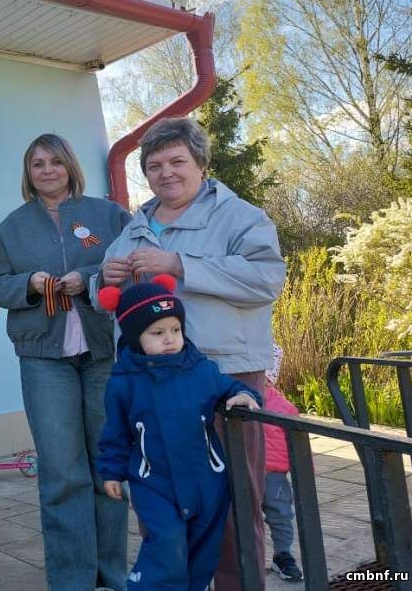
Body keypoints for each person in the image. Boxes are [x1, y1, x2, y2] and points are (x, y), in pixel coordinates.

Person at [94, 117, 286, 591]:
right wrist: (105, 279)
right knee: (159, 502)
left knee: (232, 503)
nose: (166, 173)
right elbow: (108, 297)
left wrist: (179, 263)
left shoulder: (240, 216)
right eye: (155, 165)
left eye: (177, 161)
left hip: (222, 377)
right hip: (153, 384)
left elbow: (267, 280)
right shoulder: (136, 226)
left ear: (201, 164)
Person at [0, 133, 132, 591]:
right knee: (62, 471)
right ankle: (72, 579)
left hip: (103, 354)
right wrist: (29, 283)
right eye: (37, 164)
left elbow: (130, 266)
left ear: (69, 166)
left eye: (54, 161)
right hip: (43, 359)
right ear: (28, 173)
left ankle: (111, 574)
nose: (47, 170)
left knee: (108, 465)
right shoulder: (10, 229)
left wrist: (87, 277)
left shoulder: (109, 216)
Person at [97, 275, 261, 591]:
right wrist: (111, 472)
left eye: (175, 329)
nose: (170, 339)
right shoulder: (124, 382)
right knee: (167, 543)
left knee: (203, 550)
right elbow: (115, 434)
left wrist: (243, 394)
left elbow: (231, 387)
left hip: (206, 480)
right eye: (157, 333)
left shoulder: (201, 369)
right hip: (154, 482)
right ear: (134, 337)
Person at [262, 345, 304, 583]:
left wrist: (303, 470)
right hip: (242, 470)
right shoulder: (236, 401)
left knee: (280, 514)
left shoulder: (285, 409)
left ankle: (283, 554)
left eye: (266, 377)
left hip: (274, 475)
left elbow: (298, 444)